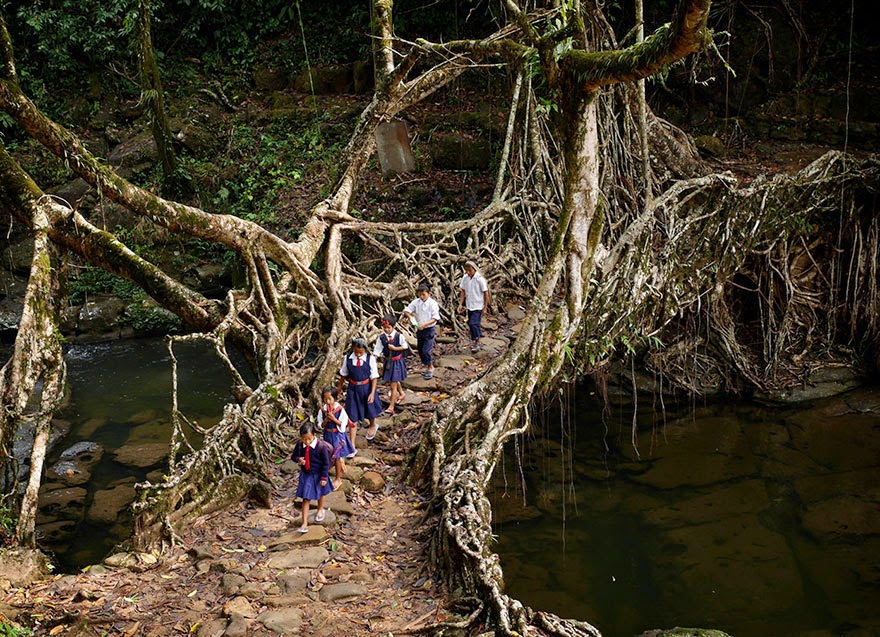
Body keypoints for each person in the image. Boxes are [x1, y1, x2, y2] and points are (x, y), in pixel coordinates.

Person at [337, 336, 383, 446]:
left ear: (365, 350)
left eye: (360, 352)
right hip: (353, 388)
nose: (358, 355)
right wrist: (339, 387)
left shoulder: (369, 359)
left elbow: (374, 377)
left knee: (370, 407)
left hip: (366, 387)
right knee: (352, 413)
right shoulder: (348, 358)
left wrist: (372, 393)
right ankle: (352, 444)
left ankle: (372, 425)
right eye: (356, 352)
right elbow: (343, 374)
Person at [290, 421, 333, 533]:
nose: (307, 442)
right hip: (307, 474)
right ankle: (304, 523)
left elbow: (325, 463)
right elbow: (293, 456)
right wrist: (298, 459)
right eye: (304, 439)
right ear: (301, 437)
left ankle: (320, 509)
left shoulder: (320, 446)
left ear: (314, 435)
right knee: (306, 497)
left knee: (321, 493)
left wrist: (324, 477)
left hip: (319, 473)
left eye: (309, 439)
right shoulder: (300, 445)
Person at [317, 386, 355, 489]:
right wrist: (325, 421)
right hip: (327, 435)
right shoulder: (322, 411)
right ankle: (325, 475)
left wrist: (334, 419)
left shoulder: (340, 410)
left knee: (337, 455)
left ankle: (338, 478)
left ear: (335, 398)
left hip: (337, 435)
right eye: (325, 399)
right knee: (326, 454)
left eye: (330, 399)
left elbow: (343, 425)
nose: (327, 401)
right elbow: (319, 425)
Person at [403, 283, 440, 379]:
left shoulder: (433, 304)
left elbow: (435, 318)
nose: (421, 297)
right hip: (419, 329)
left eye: (423, 294)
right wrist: (410, 316)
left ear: (429, 294)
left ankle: (431, 367)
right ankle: (427, 366)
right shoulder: (416, 302)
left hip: (429, 329)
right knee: (420, 349)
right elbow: (407, 310)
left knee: (426, 350)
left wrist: (425, 325)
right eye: (420, 294)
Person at [373, 314, 408, 416]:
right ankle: (401, 393)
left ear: (394, 326)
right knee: (394, 379)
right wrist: (373, 359)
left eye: (389, 328)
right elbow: (377, 350)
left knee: (393, 384)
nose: (387, 330)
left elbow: (405, 346)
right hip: (388, 362)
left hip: (397, 362)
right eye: (384, 328)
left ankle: (391, 407)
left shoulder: (399, 336)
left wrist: (395, 349)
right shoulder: (382, 338)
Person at [457, 260, 490, 353]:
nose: (468, 272)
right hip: (469, 305)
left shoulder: (480, 279)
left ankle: (478, 341)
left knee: (473, 323)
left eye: (470, 270)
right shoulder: (465, 278)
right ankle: (477, 336)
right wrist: (460, 304)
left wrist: (485, 307)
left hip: (478, 305)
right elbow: (463, 291)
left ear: (474, 269)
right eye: (466, 270)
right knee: (471, 323)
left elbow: (485, 293)